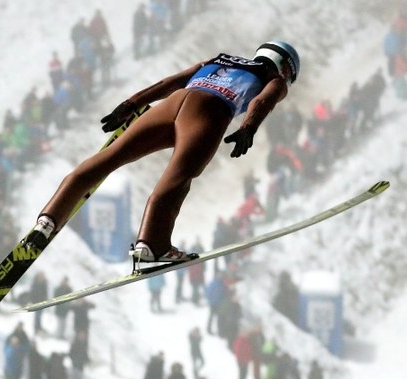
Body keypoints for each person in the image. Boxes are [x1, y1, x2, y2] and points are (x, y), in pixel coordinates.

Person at [21, 41, 300, 264]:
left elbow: (171, 82)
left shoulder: (219, 59)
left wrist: (131, 104)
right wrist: (248, 127)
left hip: (172, 103)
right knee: (178, 177)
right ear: (286, 69)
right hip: (210, 112)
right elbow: (263, 101)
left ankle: (47, 220)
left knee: (108, 159)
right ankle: (152, 245)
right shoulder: (273, 79)